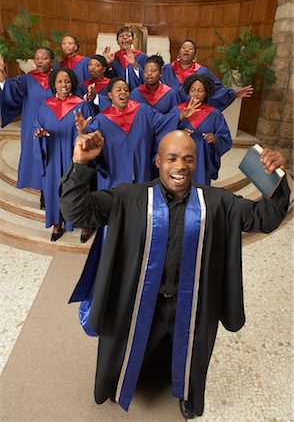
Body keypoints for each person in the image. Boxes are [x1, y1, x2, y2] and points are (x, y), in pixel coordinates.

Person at [60, 129, 289, 420]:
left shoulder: (217, 203)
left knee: (191, 355)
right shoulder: (129, 198)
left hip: (190, 303)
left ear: (196, 163)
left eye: (188, 159)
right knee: (125, 351)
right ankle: (116, 385)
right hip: (140, 300)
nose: (180, 165)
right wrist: (80, 164)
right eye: (172, 158)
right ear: (158, 160)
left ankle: (187, 396)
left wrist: (275, 177)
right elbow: (77, 212)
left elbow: (265, 218)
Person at [34, 68, 93, 242]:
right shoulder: (45, 106)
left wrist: (83, 131)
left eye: (67, 81)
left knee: (78, 186)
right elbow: (35, 126)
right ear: (53, 84)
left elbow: (91, 129)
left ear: (72, 83)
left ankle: (84, 223)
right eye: (59, 81)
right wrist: (39, 133)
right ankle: (57, 222)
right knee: (54, 187)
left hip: (74, 154)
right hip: (52, 152)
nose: (63, 85)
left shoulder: (81, 106)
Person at [0, 47, 54, 206]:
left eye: (44, 58)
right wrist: (2, 76)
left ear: (52, 60)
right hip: (32, 125)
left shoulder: (59, 78)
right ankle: (43, 191)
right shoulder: (28, 78)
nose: (40, 61)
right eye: (37, 58)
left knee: (53, 157)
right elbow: (11, 91)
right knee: (36, 157)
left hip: (54, 124)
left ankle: (51, 190)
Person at [161, 39, 254, 110]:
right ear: (179, 53)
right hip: (171, 112)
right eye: (184, 48)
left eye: (190, 49)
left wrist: (234, 94)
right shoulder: (167, 69)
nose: (187, 50)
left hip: (194, 112)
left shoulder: (201, 72)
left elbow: (216, 90)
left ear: (194, 56)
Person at [174, 73, 232, 185]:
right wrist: (179, 132)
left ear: (206, 93)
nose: (195, 94)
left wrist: (214, 138)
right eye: (192, 90)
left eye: (200, 90)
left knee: (199, 186)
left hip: (202, 158)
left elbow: (225, 138)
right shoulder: (179, 110)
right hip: (180, 155)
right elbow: (165, 130)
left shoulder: (214, 114)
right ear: (188, 91)